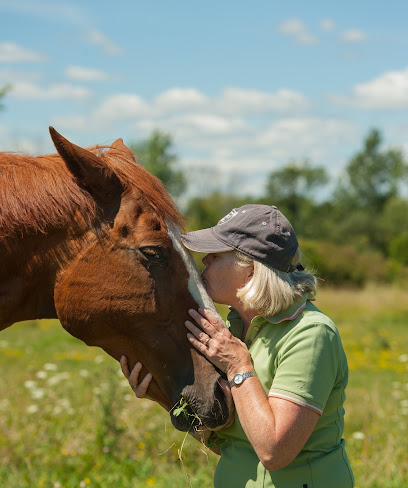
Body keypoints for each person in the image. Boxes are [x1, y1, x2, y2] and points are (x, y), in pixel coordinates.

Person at [120, 204, 354, 488]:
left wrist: (238, 366)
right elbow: (228, 442)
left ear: (251, 268)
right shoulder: (232, 331)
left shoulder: (311, 335)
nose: (204, 261)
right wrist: (165, 397)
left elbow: (274, 451)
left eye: (216, 255)